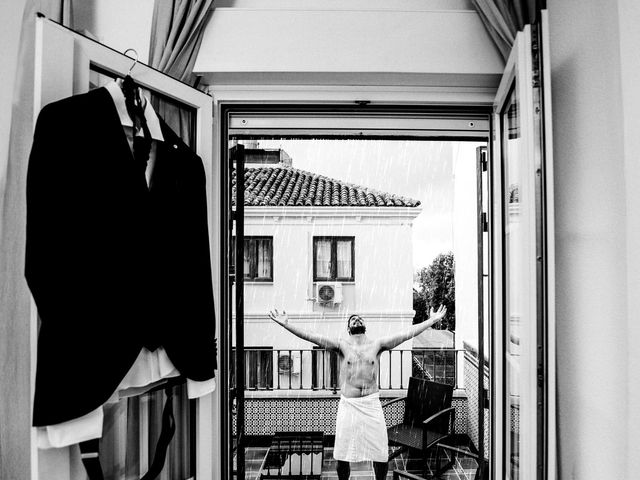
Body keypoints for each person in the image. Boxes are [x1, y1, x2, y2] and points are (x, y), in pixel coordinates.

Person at [268, 306, 447, 480]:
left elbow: (407, 333)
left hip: (371, 405)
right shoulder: (341, 345)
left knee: (381, 453)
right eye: (352, 319)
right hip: (349, 406)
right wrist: (286, 324)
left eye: (359, 318)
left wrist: (430, 321)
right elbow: (312, 337)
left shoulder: (377, 345)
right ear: (349, 328)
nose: (356, 319)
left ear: (364, 326)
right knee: (342, 454)